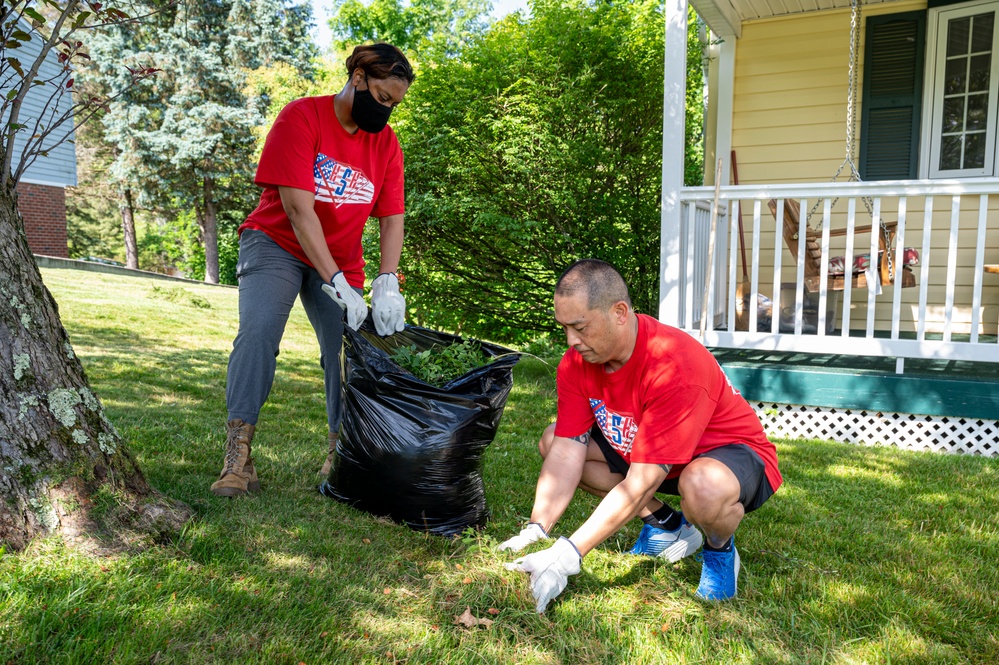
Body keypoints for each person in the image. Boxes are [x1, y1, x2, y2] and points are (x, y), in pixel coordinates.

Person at [499, 259, 782, 610]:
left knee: (702, 487)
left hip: (727, 456)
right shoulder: (576, 363)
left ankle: (719, 550)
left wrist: (566, 555)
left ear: (620, 312)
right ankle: (666, 525)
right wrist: (537, 528)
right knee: (552, 438)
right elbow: (566, 449)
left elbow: (641, 483)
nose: (571, 341)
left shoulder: (672, 364)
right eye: (565, 329)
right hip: (651, 452)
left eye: (580, 328)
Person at [210, 43, 415, 497]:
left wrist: (387, 279)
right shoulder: (302, 117)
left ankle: (342, 453)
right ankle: (238, 456)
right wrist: (335, 281)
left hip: (341, 256)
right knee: (259, 332)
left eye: (395, 105)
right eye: (382, 98)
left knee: (350, 350)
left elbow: (392, 216)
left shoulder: (387, 144)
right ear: (358, 78)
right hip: (276, 243)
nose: (386, 113)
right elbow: (299, 211)